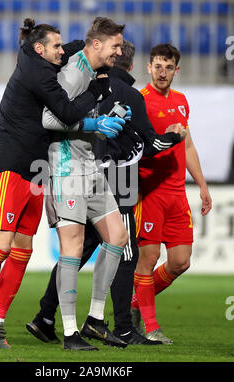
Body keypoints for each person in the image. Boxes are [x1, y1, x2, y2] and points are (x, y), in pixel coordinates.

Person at [0, 19, 114, 350]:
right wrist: (95, 91)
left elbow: (72, 47)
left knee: (23, 250)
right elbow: (67, 112)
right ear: (39, 49)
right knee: (2, 246)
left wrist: (88, 47)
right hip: (10, 166)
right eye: (56, 47)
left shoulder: (41, 58)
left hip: (35, 170)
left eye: (62, 46)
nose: (62, 51)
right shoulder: (39, 75)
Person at [34, 34, 186, 351]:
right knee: (94, 249)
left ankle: (66, 317)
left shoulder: (99, 84)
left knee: (102, 241)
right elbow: (51, 119)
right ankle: (93, 329)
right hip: (91, 174)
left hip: (92, 171)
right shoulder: (115, 89)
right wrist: (173, 138)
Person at [131, 43, 212, 344]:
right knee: (148, 259)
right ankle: (150, 328)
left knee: (180, 261)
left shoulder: (181, 101)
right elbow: (137, 148)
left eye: (168, 67)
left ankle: (133, 303)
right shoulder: (140, 101)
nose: (162, 72)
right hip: (149, 191)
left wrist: (201, 184)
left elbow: (187, 145)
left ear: (176, 70)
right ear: (148, 67)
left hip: (178, 194)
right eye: (157, 66)